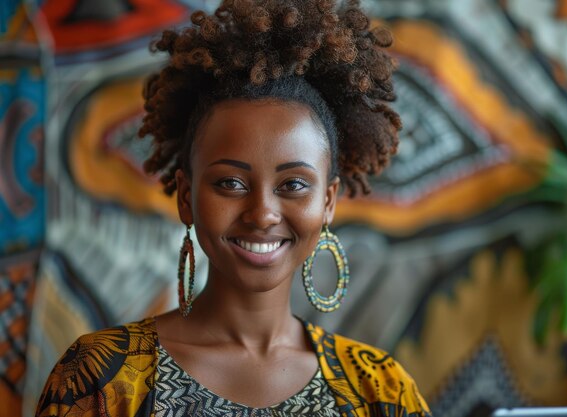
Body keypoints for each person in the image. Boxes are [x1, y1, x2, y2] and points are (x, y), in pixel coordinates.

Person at [35, 0, 432, 416]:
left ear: (328, 201)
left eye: (293, 185)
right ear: (187, 197)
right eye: (231, 183)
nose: (262, 214)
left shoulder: (378, 388)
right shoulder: (104, 378)